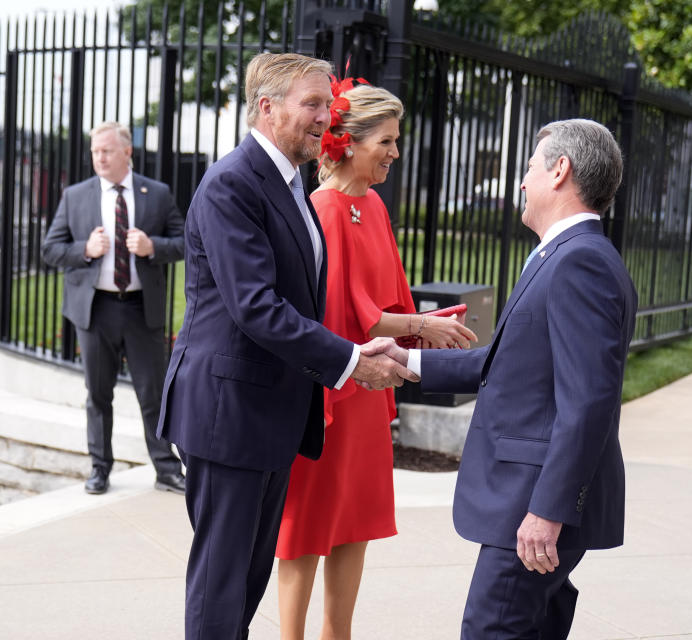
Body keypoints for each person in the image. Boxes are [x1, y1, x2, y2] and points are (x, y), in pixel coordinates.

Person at [156, 52, 416, 640]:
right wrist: (351, 361)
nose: (327, 116)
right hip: (228, 415)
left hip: (271, 416)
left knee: (248, 583)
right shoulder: (232, 184)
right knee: (222, 585)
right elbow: (256, 307)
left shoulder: (290, 182)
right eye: (313, 104)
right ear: (268, 108)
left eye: (328, 103)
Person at [372, 118, 637, 638]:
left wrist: (548, 510)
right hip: (529, 498)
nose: (521, 180)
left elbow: (588, 403)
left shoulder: (579, 262)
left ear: (560, 170)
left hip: (533, 503)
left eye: (531, 166)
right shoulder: (562, 255)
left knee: (492, 629)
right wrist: (407, 362)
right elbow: (514, 365)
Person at [274, 80, 477, 640]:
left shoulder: (373, 206)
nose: (393, 152)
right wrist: (419, 325)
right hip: (331, 391)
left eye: (395, 140)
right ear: (347, 142)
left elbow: (386, 305)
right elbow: (343, 319)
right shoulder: (324, 210)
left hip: (367, 395)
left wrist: (424, 326)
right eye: (384, 141)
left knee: (353, 521)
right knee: (309, 524)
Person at [41, 121, 186, 496]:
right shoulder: (76, 196)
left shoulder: (156, 193)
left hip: (141, 309)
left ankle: (166, 468)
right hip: (96, 310)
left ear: (127, 153)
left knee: (153, 393)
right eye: (94, 151)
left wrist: (152, 246)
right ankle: (100, 468)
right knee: (98, 394)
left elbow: (185, 241)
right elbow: (50, 249)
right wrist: (84, 251)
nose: (99, 157)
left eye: (106, 150)